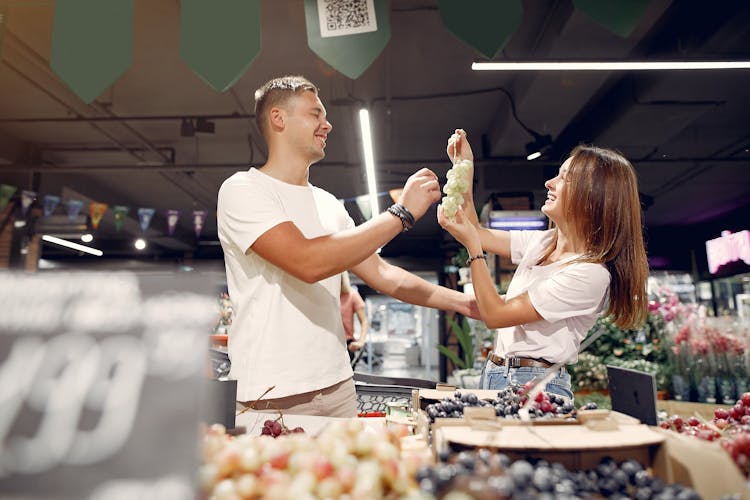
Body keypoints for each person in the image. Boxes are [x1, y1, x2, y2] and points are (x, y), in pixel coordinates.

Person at [216, 76, 479, 418]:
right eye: (315, 114)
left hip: (339, 385)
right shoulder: (243, 189)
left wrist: (467, 304)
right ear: (278, 118)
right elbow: (307, 261)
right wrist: (401, 214)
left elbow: (383, 274)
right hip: (271, 393)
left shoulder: (328, 203)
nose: (327, 124)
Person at [437, 129, 648, 399]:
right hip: (497, 373)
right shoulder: (544, 241)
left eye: (565, 178)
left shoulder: (590, 274)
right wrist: (464, 166)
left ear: (595, 196)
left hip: (537, 386)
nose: (550, 182)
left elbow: (495, 315)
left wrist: (473, 251)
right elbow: (477, 232)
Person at [339, 271, 369, 365]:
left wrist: (361, 342)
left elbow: (364, 321)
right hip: (327, 344)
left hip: (346, 345)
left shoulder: (352, 295)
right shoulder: (327, 297)